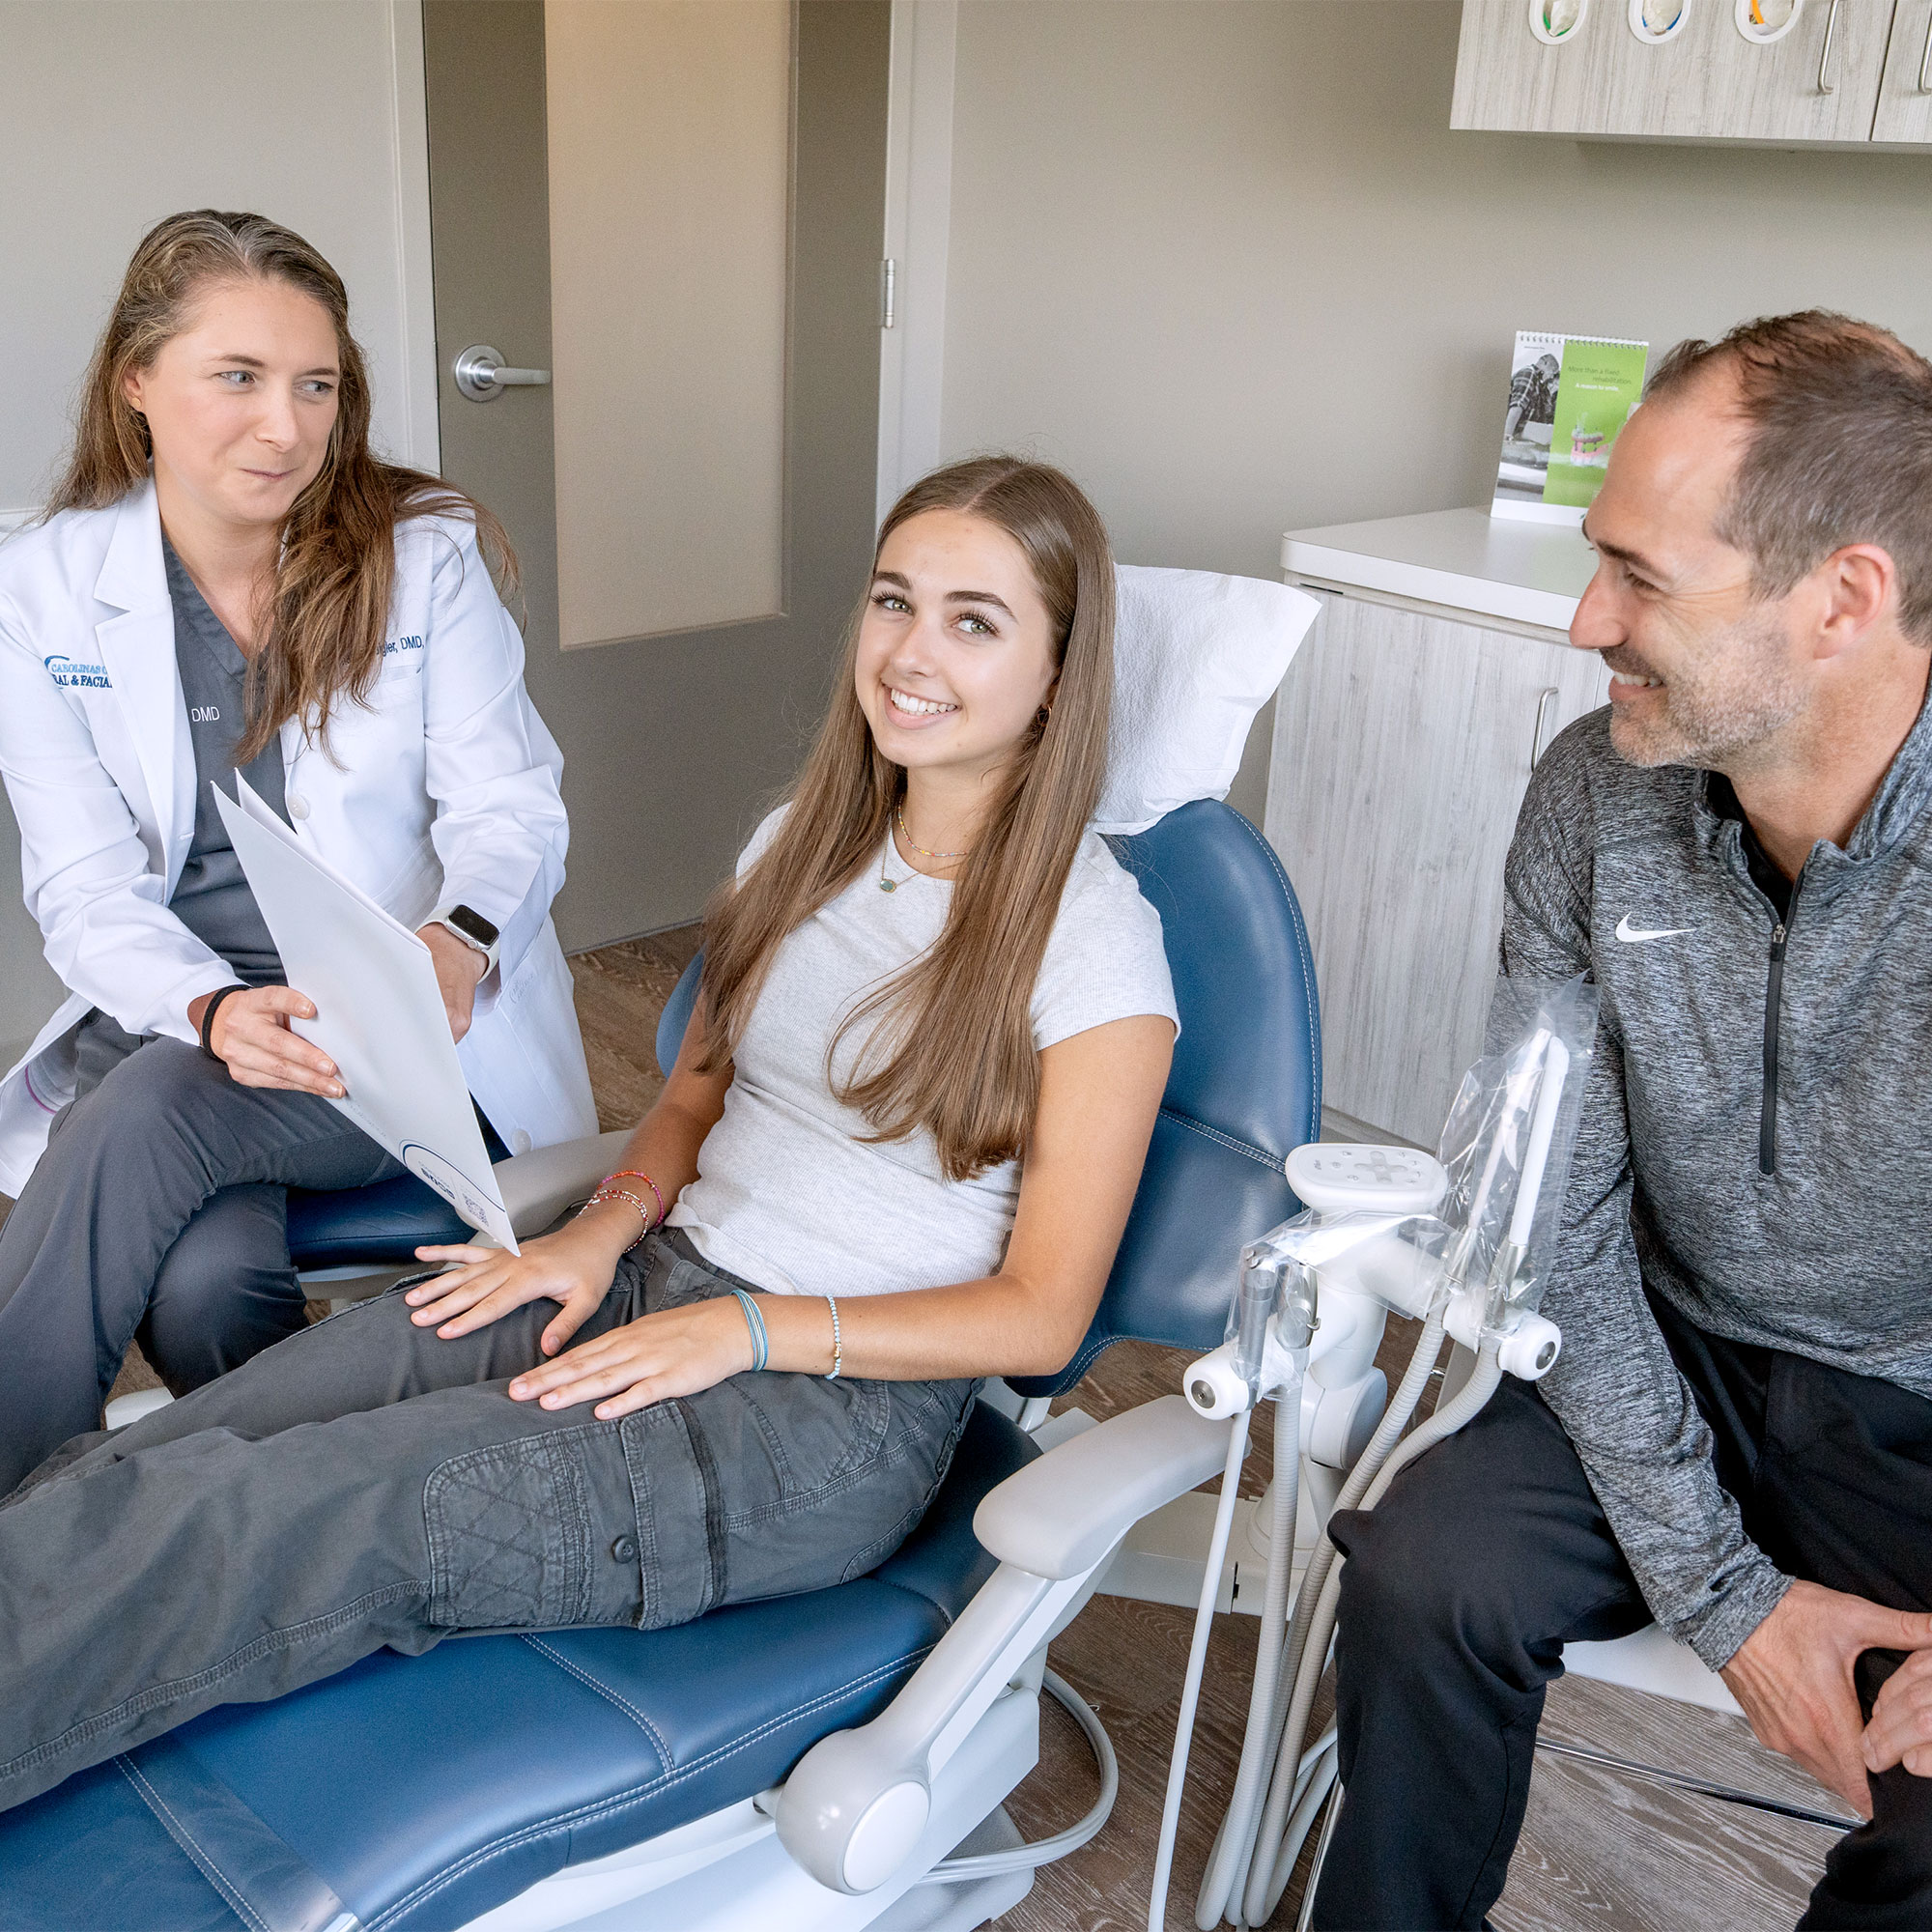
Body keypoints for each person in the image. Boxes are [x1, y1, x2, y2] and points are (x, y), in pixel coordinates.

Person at [0, 454, 1179, 1819]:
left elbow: (1041, 1320)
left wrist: (742, 1332)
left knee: (271, 1516)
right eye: (892, 601)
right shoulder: (801, 842)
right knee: (187, 1445)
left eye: (976, 622)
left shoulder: (1096, 948)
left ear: (1058, 674)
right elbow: (693, 1095)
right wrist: (595, 1237)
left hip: (822, 1416)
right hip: (648, 1277)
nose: (912, 654)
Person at [1317, 311, 1932, 1930]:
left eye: (1644, 579)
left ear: (1844, 601)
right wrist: (1727, 1597)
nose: (1587, 623)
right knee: (1424, 1578)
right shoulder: (1598, 796)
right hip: (1670, 1342)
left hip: (1917, 1403)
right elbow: (1545, 1216)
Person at [0, 211, 595, 1490]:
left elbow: (514, 813)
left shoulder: (419, 559)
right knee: (210, 1284)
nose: (286, 426)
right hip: (190, 1015)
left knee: (150, 1118)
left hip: (398, 1023)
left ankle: (17, 1527)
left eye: (315, 384)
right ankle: (309, 1510)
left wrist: (462, 938)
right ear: (137, 387)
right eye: (239, 378)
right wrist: (209, 1005)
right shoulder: (39, 587)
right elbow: (85, 886)